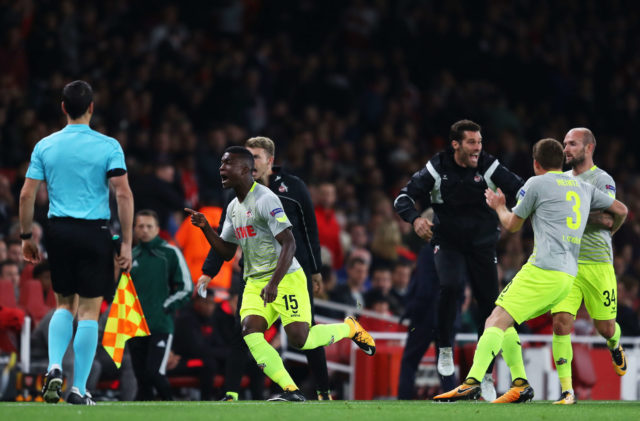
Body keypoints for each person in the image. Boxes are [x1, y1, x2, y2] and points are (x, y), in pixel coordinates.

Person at [434, 138, 628, 403]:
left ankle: (471, 382)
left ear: (536, 163)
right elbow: (620, 209)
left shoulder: (535, 183)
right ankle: (521, 384)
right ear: (560, 161)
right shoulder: (583, 186)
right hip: (568, 275)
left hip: (543, 270)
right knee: (505, 319)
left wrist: (499, 206)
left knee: (494, 321)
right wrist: (609, 232)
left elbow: (512, 225)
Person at [185, 146, 375, 402]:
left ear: (244, 169)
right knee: (249, 331)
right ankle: (290, 389)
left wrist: (274, 283)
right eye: (220, 163)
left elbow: (290, 243)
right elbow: (227, 251)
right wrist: (206, 228)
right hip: (254, 280)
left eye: (226, 163)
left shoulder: (265, 199)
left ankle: (349, 328)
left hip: (285, 276)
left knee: (300, 339)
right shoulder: (232, 207)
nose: (220, 168)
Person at [19, 80, 133, 405]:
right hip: (95, 232)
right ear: (92, 108)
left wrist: (27, 236)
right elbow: (122, 193)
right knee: (88, 312)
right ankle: (78, 389)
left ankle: (55, 365)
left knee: (63, 304)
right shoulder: (109, 145)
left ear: (63, 108)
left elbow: (27, 193)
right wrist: (125, 243)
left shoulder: (45, 145)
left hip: (59, 232)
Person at [393, 119, 524, 399]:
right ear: (456, 144)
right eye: (471, 142)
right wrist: (415, 219)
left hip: (482, 243)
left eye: (479, 142)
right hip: (448, 241)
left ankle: (486, 374)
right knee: (450, 286)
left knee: (489, 304)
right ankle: (444, 348)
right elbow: (402, 198)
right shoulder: (437, 167)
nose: (478, 148)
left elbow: (522, 190)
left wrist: (511, 212)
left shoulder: (489, 166)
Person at [199, 136, 332, 401]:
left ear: (270, 161)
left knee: (302, 335)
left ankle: (323, 392)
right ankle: (232, 393)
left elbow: (309, 231)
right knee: (244, 330)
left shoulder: (293, 189)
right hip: (254, 273)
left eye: (256, 157)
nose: (251, 162)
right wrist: (208, 271)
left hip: (292, 271)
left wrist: (315, 270)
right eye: (247, 157)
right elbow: (225, 240)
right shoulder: (236, 196)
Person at [550, 128, 628, 405]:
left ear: (589, 148)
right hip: (566, 264)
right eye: (564, 144)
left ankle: (614, 344)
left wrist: (571, 214)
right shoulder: (559, 180)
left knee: (605, 327)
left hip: (597, 264)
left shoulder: (600, 179)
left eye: (572, 144)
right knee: (560, 324)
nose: (566, 149)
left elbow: (609, 219)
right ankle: (567, 391)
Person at [128, 209, 192, 400]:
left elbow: (186, 287)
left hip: (160, 325)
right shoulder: (131, 255)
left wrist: (165, 307)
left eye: (149, 226)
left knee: (154, 373)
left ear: (157, 229)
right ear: (134, 229)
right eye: (140, 226)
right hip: (135, 326)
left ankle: (173, 410)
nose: (145, 230)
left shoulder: (170, 253)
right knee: (141, 379)